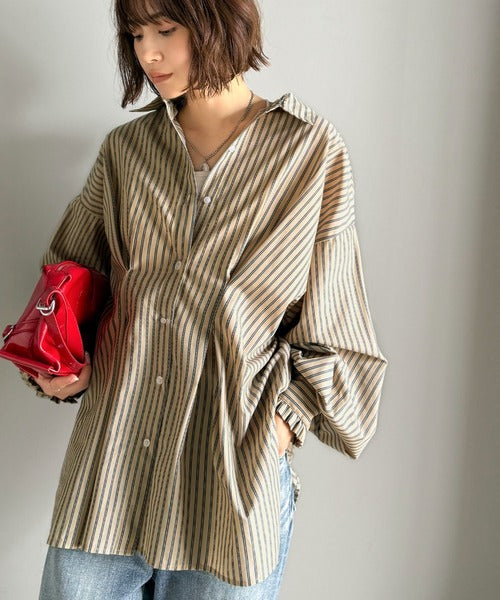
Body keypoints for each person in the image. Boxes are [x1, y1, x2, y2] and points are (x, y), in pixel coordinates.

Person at [19, 0, 388, 598]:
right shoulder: (126, 153)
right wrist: (59, 365)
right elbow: (66, 286)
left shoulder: (309, 154)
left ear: (220, 20)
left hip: (228, 496)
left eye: (165, 29)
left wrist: (278, 430)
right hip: (110, 476)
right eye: (135, 33)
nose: (147, 52)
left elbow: (339, 336)